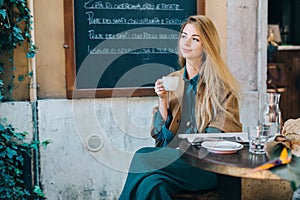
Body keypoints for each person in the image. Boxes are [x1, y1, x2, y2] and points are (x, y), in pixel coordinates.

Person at [119, 15, 242, 200]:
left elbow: (216, 143)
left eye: (195, 39)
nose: (186, 43)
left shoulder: (222, 88)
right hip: (173, 163)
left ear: (207, 45)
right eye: (184, 36)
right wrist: (162, 101)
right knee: (152, 185)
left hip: (206, 167)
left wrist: (180, 149)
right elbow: (161, 139)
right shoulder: (173, 81)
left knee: (142, 156)